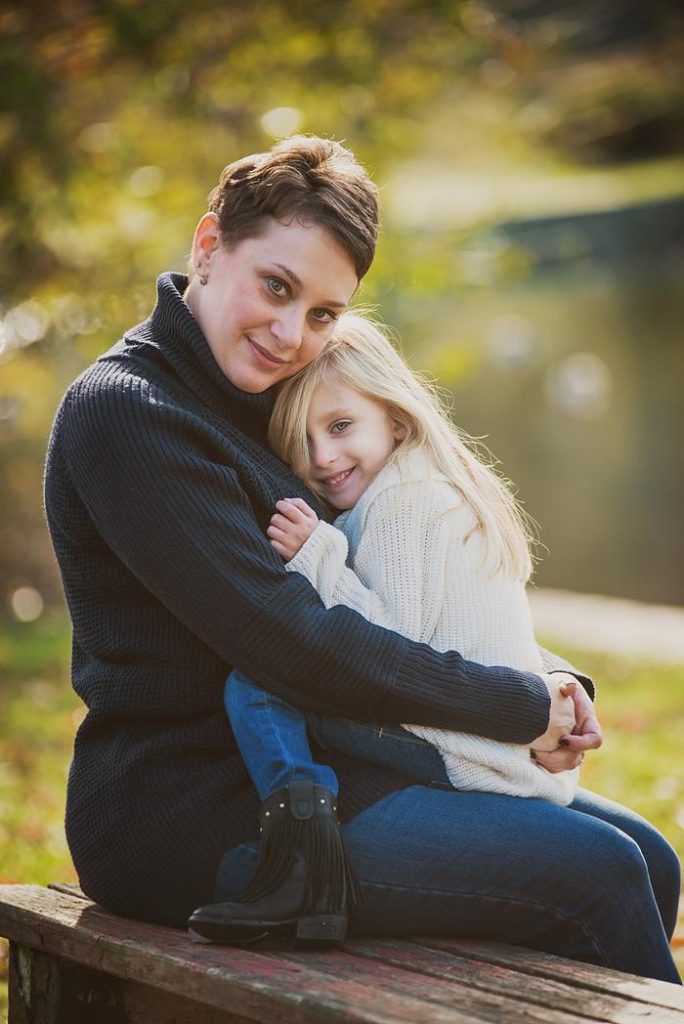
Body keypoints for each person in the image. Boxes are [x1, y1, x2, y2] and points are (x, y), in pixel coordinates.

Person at [44, 135, 681, 984]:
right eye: (277, 287)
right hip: (198, 810)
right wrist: (518, 705)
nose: (289, 333)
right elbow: (293, 643)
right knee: (596, 875)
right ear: (207, 246)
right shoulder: (130, 415)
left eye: (322, 313)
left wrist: (555, 683)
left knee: (649, 854)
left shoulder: (267, 396)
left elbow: (398, 586)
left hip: (339, 759)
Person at [190, 311, 582, 945]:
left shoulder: (398, 504)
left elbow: (389, 649)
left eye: (341, 427)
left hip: (466, 749)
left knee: (258, 682)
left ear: (396, 418)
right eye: (303, 442)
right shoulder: (427, 482)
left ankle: (302, 861)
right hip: (498, 744)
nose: (323, 457)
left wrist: (317, 554)